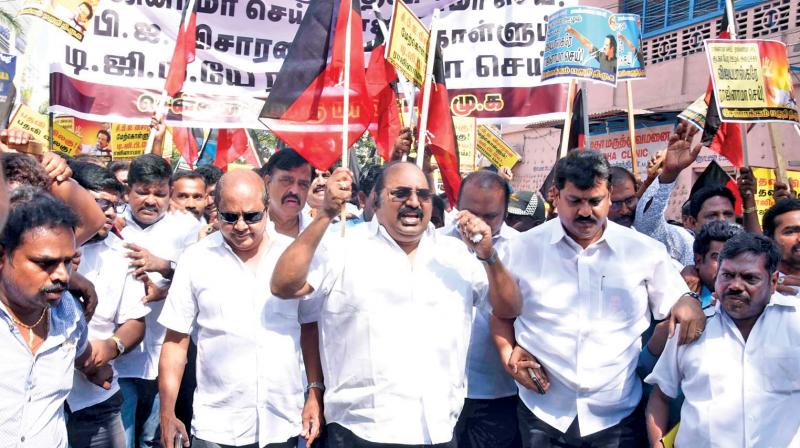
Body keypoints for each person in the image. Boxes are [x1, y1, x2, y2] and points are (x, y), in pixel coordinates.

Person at [271, 162, 521, 447]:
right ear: (375, 200)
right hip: (361, 431)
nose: (413, 202)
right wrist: (326, 214)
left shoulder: (457, 254)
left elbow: (508, 308)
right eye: (400, 193)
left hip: (438, 429)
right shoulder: (343, 247)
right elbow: (283, 286)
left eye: (423, 195)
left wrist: (489, 256)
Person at [491, 149, 705, 448]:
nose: (585, 212)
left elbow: (681, 300)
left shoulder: (643, 251)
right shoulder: (520, 250)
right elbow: (501, 315)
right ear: (555, 194)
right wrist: (508, 355)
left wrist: (687, 300)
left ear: (608, 196)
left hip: (616, 415)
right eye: (575, 201)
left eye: (595, 201)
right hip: (543, 414)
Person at [159, 170, 323, 448]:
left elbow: (309, 328)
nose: (241, 226)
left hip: (282, 422)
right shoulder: (195, 259)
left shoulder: (293, 257)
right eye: (230, 217)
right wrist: (167, 412)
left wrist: (314, 393)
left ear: (267, 208)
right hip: (218, 427)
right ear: (217, 211)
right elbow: (176, 341)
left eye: (252, 216)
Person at [645, 232, 800, 447]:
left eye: (750, 278)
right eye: (727, 275)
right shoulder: (692, 325)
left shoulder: (796, 322)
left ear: (773, 282)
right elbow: (661, 396)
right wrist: (658, 444)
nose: (736, 285)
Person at [0, 192, 104, 447]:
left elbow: (83, 356)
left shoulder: (69, 314)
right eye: (45, 263)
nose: (62, 275)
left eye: (67, 261)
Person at [116, 154, 201, 448]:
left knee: (154, 439)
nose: (150, 200)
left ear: (169, 194)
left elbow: (198, 280)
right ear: (128, 191)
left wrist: (163, 266)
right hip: (118, 361)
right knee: (121, 440)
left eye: (159, 193)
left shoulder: (187, 228)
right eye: (142, 191)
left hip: (163, 357)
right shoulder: (110, 224)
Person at [66, 163, 150, 448]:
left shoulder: (123, 254)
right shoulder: (37, 247)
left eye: (115, 204)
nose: (110, 212)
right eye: (100, 202)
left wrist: (112, 346)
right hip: (38, 401)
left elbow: (136, 323)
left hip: (96, 399)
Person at [442, 171, 521, 448]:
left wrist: (487, 254)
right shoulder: (434, 245)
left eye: (490, 216)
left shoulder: (523, 249)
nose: (477, 224)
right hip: (441, 391)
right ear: (456, 203)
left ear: (504, 212)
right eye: (470, 212)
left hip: (497, 393)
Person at [635, 121, 702, 265]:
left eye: (727, 213)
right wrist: (669, 175)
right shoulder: (684, 241)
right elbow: (647, 224)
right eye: (712, 215)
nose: (721, 220)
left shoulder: (742, 249)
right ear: (691, 221)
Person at [258, 148, 313, 238]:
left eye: (303, 184)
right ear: (267, 182)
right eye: (286, 181)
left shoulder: (321, 236)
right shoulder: (246, 233)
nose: (294, 191)